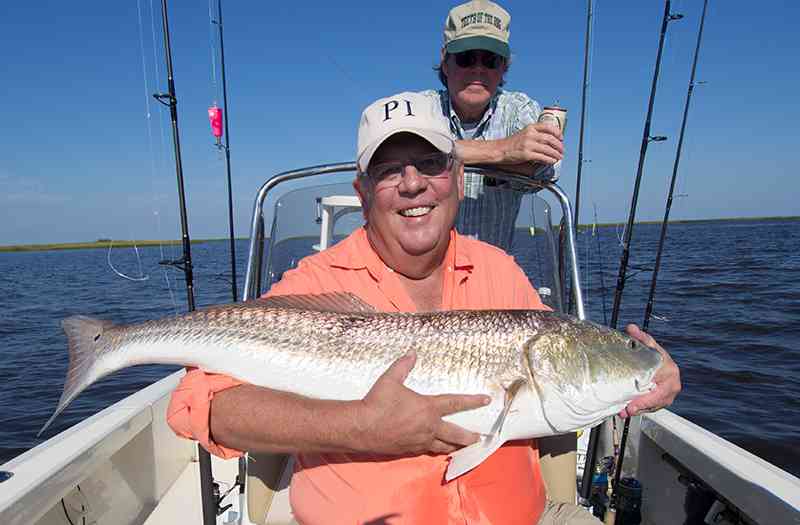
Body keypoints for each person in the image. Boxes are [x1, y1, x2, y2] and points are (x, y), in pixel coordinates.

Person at [167, 92, 680, 524]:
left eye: (431, 164)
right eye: (389, 170)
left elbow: (580, 379)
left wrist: (650, 370)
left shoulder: (501, 271)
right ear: (363, 192)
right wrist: (358, 426)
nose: (413, 183)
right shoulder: (316, 282)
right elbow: (205, 406)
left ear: (457, 178)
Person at [421, 0, 565, 249]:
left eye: (490, 60)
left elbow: (548, 168)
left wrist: (445, 156)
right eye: (466, 58)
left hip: (487, 277)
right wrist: (505, 152)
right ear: (445, 63)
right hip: (421, 275)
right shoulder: (421, 108)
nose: (478, 69)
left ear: (504, 67)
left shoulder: (519, 109)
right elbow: (402, 152)